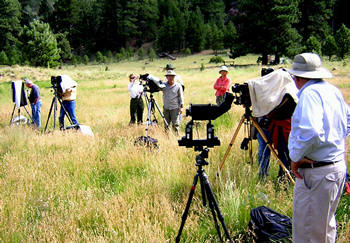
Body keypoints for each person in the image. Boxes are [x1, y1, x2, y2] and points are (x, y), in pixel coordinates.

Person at [288, 53, 349, 243]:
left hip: (318, 173)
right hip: (335, 167)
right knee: (324, 229)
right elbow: (347, 121)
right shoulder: (332, 91)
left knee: (308, 234)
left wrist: (296, 157)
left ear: (296, 78)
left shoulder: (309, 94)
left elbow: (311, 130)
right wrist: (332, 143)